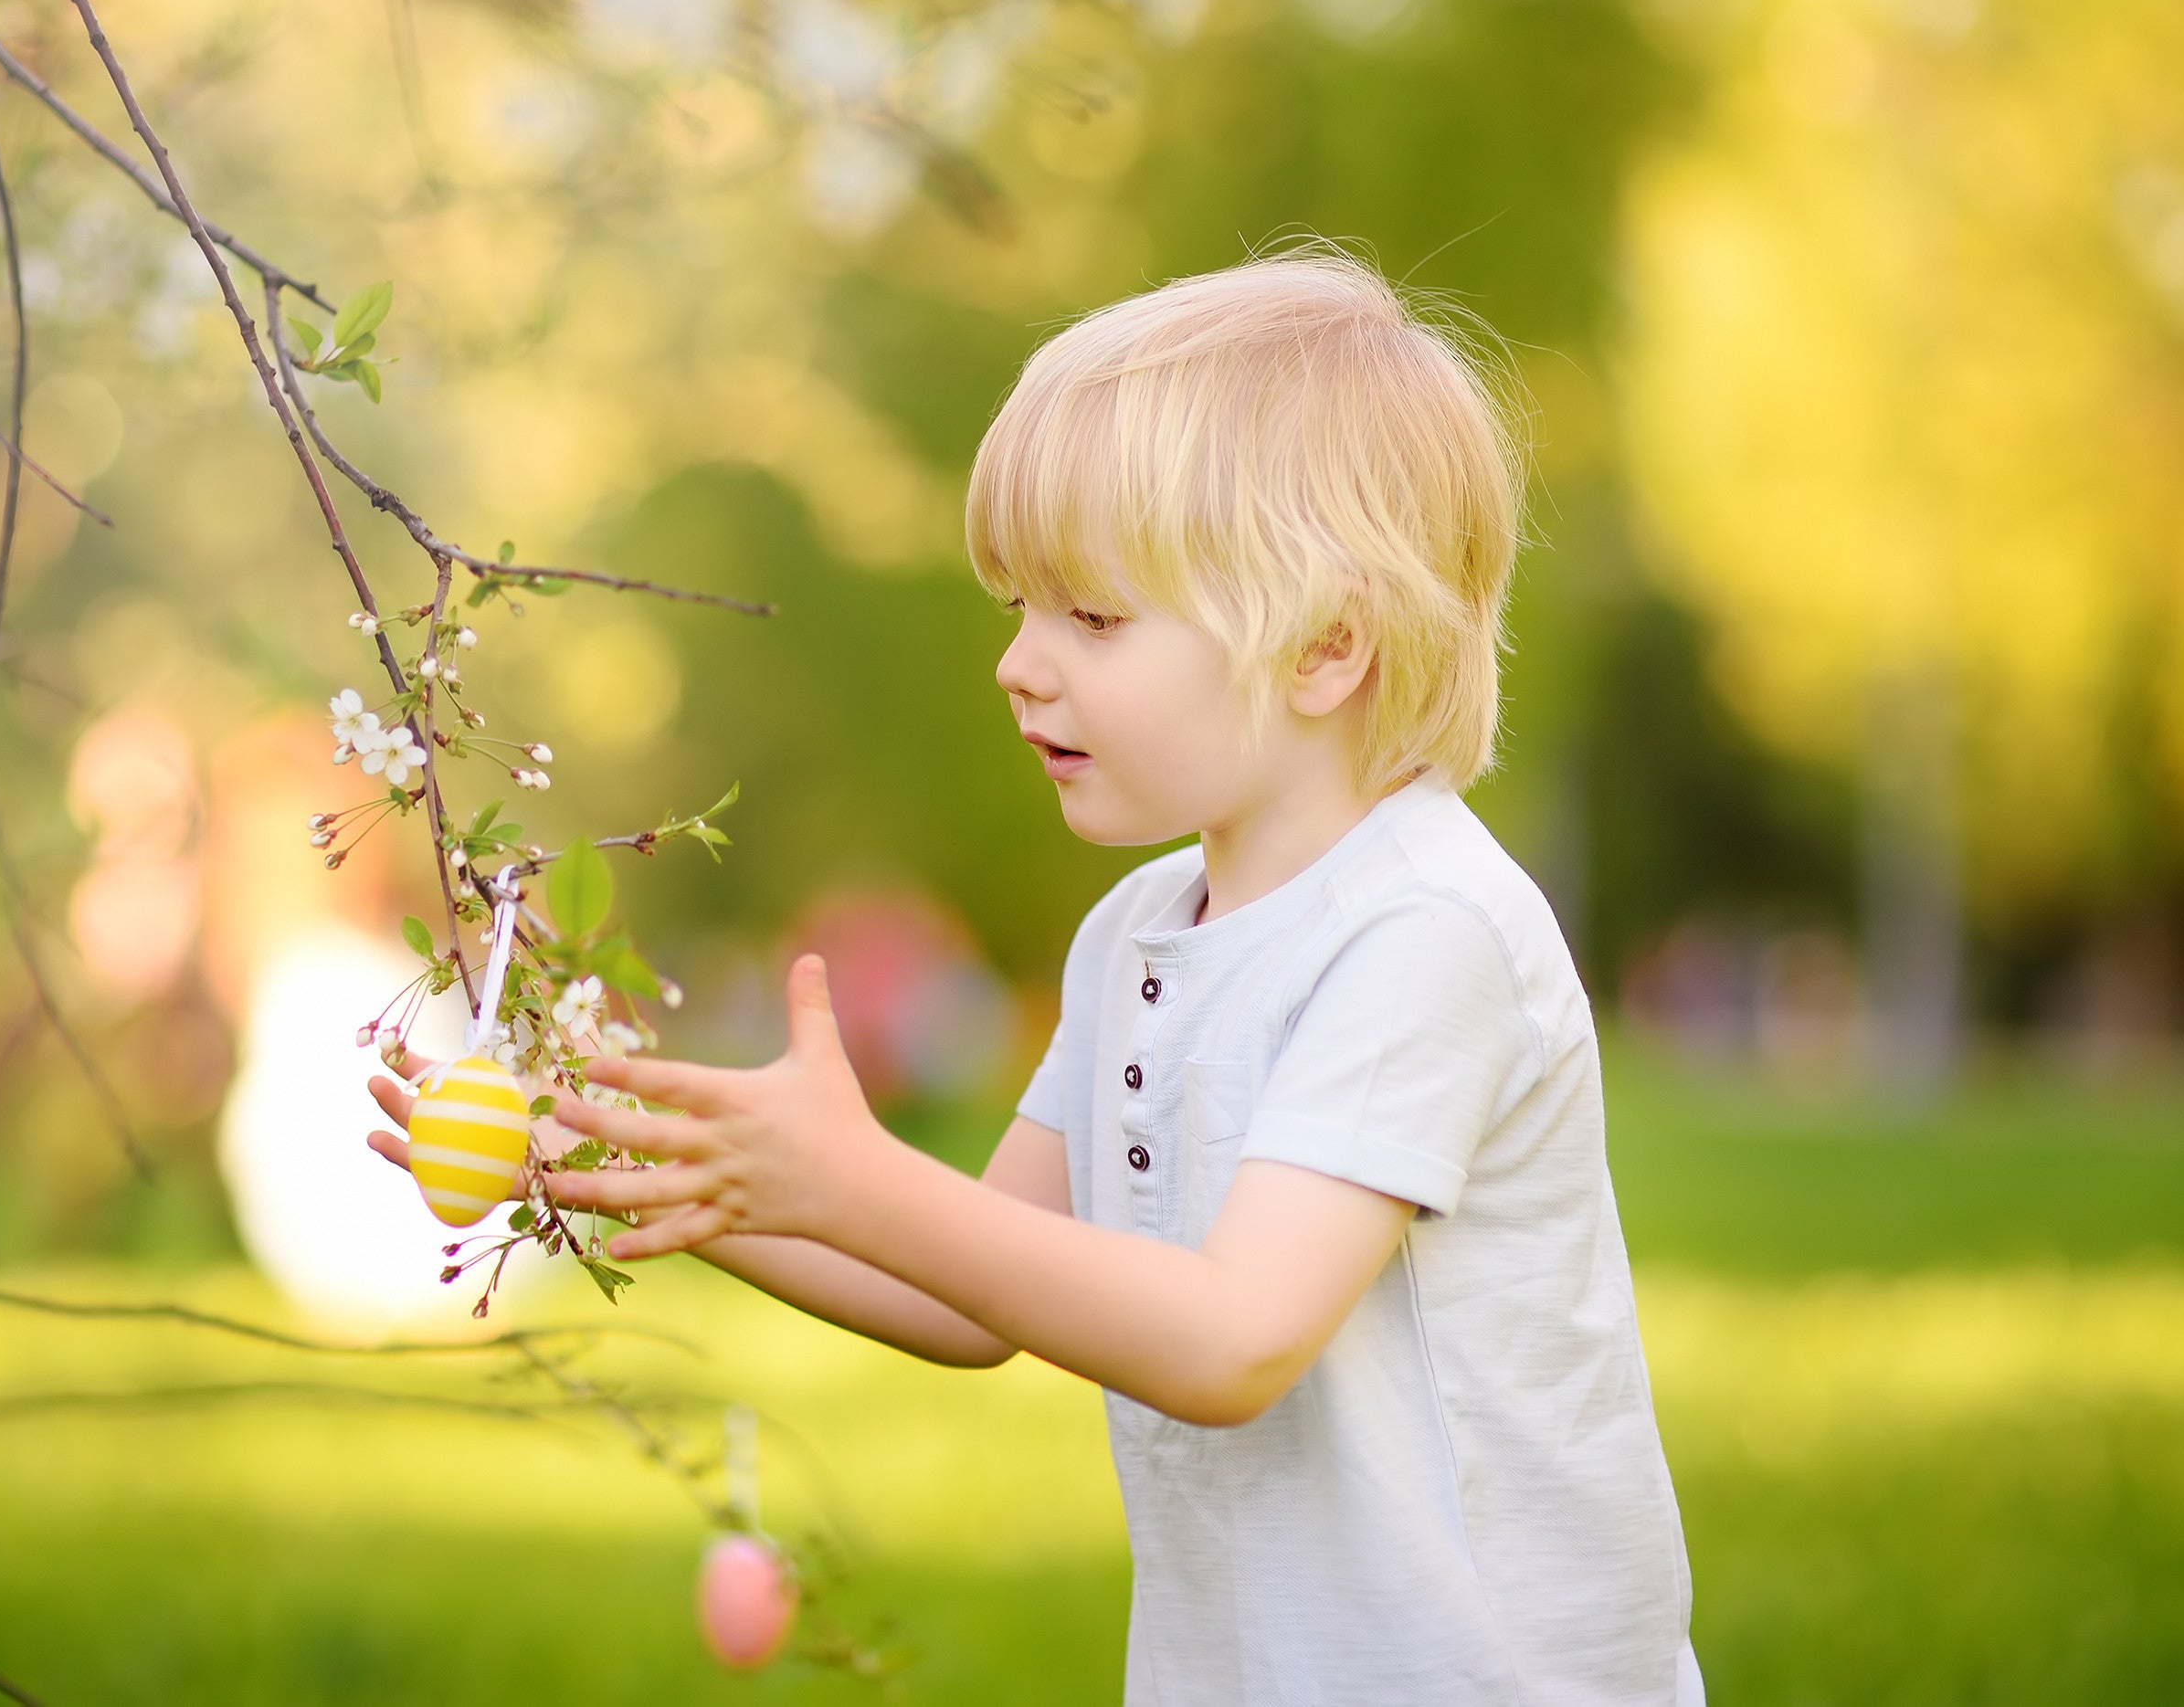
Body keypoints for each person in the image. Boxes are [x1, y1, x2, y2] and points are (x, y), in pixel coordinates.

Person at [367, 248, 1702, 1704]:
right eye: (1018, 606)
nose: (1019, 663)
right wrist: (654, 1166)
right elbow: (974, 1290)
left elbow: (1231, 1337)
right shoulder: (1138, 929)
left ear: (1325, 647)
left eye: (1093, 618)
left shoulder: (1422, 930)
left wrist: (851, 1178)